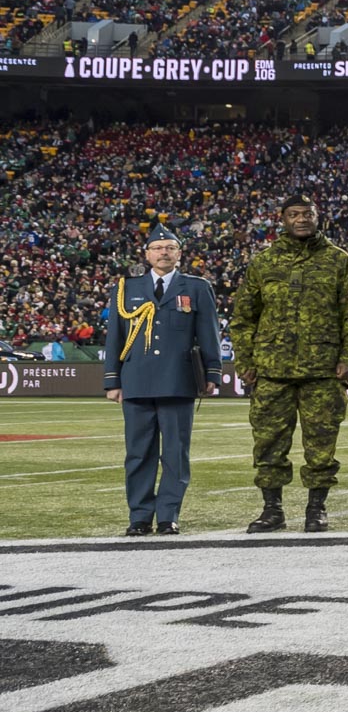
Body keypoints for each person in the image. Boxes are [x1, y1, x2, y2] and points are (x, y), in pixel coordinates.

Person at [233, 193, 348, 534]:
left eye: (307, 213)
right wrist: (245, 362)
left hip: (323, 371)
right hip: (271, 371)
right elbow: (243, 318)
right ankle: (272, 510)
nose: (301, 219)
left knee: (322, 445)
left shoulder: (340, 262)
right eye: (294, 214)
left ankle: (316, 509)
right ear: (283, 219)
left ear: (317, 216)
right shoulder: (263, 264)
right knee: (267, 443)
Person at [102, 222, 223, 536]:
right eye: (157, 248)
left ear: (179, 254)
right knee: (138, 453)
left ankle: (168, 515)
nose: (163, 253)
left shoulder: (196, 287)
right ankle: (139, 517)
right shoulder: (126, 287)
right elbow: (115, 335)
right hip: (136, 380)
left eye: (169, 248)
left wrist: (212, 373)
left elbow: (209, 333)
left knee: (175, 455)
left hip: (178, 380)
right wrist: (112, 379)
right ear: (146, 254)